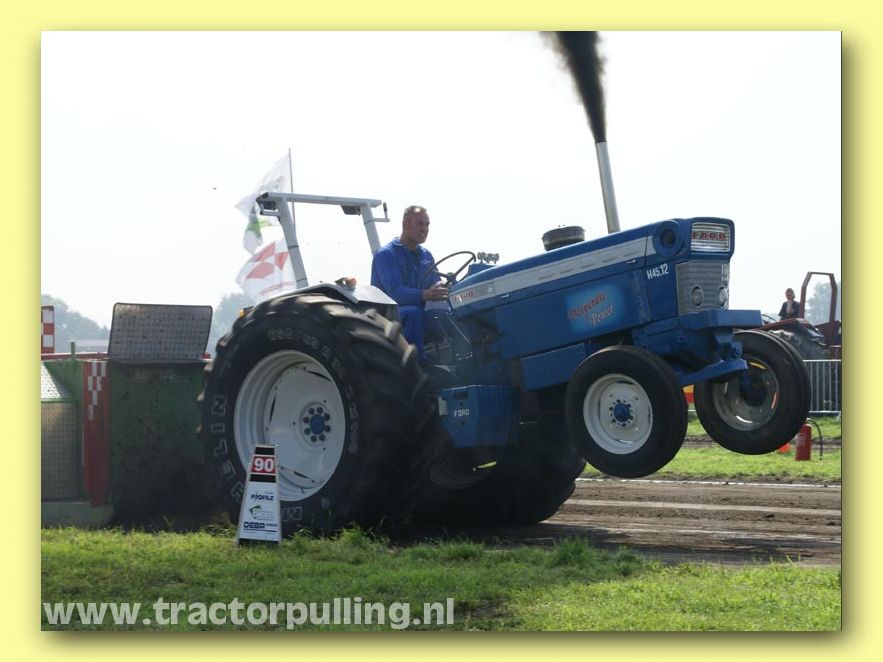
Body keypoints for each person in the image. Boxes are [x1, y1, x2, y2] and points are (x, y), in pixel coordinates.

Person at [371, 205, 447, 361]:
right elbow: (395, 292)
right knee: (413, 313)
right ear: (405, 225)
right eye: (420, 224)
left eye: (427, 225)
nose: (425, 229)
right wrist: (425, 294)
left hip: (419, 309)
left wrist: (442, 287)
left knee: (449, 313)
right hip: (390, 314)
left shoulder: (426, 255)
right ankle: (417, 365)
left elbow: (435, 281)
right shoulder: (386, 255)